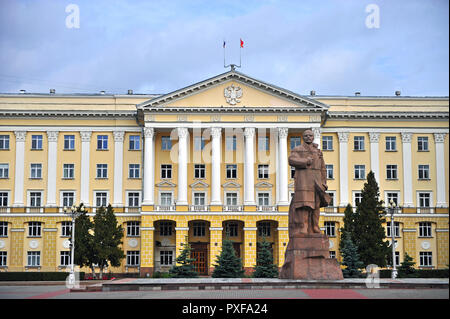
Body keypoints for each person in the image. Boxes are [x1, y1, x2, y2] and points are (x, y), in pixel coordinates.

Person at [288, 129, 330, 235]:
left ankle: (315, 226)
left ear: (313, 137)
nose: (308, 137)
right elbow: (291, 160)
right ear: (303, 137)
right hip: (304, 181)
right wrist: (305, 161)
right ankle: (304, 227)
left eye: (310, 135)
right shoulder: (298, 149)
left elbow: (323, 168)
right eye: (306, 135)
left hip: (317, 181)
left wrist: (324, 182)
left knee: (316, 205)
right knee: (304, 205)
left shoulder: (318, 151)